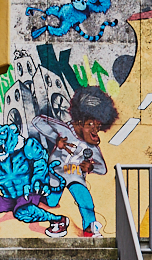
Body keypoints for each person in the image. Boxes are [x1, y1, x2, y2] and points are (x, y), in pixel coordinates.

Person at [31, 87, 118, 237]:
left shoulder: (92, 147)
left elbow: (102, 168)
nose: (95, 130)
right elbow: (37, 121)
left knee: (86, 201)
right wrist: (56, 139)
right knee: (51, 202)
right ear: (80, 121)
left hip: (75, 176)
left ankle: (89, 230)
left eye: (98, 126)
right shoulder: (64, 130)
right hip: (55, 174)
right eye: (91, 124)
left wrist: (90, 167)